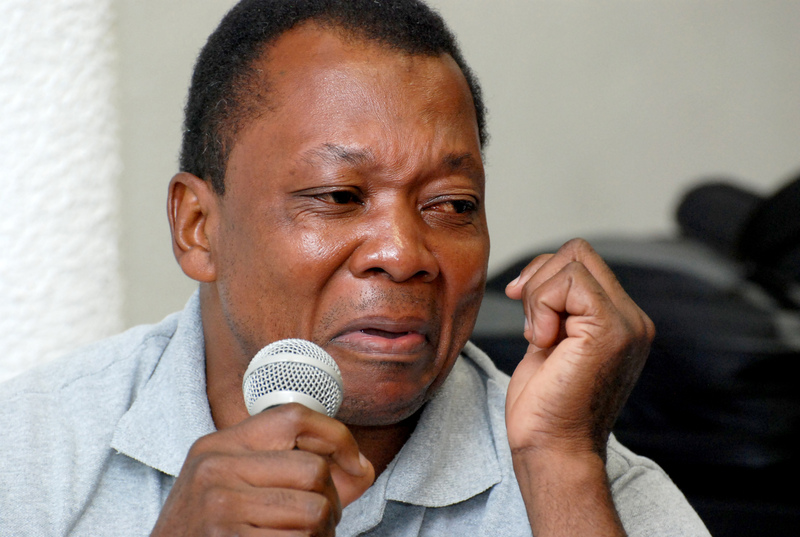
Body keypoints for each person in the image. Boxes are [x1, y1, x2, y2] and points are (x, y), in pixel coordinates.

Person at [0, 1, 710, 535]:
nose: (403, 254)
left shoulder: (583, 479)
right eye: (339, 196)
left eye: (452, 204)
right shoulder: (30, 453)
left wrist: (560, 471)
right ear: (198, 227)